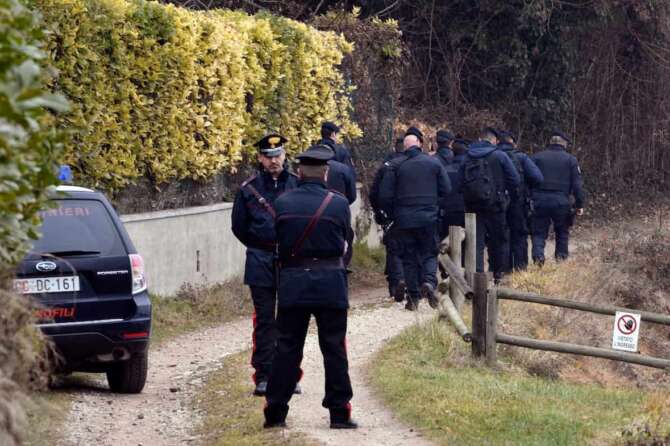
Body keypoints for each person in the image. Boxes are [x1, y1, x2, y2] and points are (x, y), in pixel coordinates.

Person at [264, 144, 357, 430]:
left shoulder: (283, 203)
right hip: (330, 282)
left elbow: (274, 241)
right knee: (334, 348)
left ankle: (276, 412)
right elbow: (346, 241)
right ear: (325, 173)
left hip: (293, 282)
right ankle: (339, 413)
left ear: (300, 172)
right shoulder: (339, 203)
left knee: (287, 348)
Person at [231, 134, 299, 396]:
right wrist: (261, 243)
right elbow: (239, 227)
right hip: (260, 259)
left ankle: (290, 375)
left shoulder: (296, 185)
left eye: (278, 155)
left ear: (285, 155)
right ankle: (264, 375)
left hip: (290, 259)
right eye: (269, 156)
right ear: (260, 158)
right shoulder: (249, 189)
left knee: (291, 319)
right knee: (265, 321)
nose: (274, 161)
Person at [378, 127, 451, 310]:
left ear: (404, 146)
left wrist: (393, 214)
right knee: (429, 253)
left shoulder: (397, 166)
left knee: (409, 258)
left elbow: (384, 196)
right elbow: (447, 189)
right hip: (428, 218)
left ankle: (413, 298)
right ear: (419, 144)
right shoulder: (433, 164)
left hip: (404, 220)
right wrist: (435, 205)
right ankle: (428, 281)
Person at [458, 128, 520, 283]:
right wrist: (506, 194)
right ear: (495, 141)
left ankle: (477, 277)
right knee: (498, 240)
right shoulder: (500, 156)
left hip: (473, 207)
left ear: (480, 139)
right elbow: (515, 179)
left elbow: (459, 183)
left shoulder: (467, 157)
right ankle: (497, 274)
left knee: (476, 243)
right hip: (496, 206)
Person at [530, 129, 585, 265]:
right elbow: (577, 186)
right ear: (564, 144)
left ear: (550, 143)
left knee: (538, 232)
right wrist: (579, 204)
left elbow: (528, 179)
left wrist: (530, 198)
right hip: (561, 202)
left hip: (540, 200)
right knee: (562, 232)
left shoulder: (537, 157)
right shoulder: (571, 160)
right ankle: (561, 261)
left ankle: (538, 258)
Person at [498, 131, 544, 271]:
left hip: (498, 203)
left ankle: (502, 271)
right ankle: (520, 269)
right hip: (518, 203)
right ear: (514, 144)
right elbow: (538, 179)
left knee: (502, 236)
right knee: (519, 235)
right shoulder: (522, 158)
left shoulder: (493, 157)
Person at [369, 137, 406, 301]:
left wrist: (379, 212)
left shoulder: (387, 165)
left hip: (390, 216)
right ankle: (410, 282)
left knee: (393, 251)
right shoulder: (412, 163)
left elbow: (374, 192)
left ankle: (395, 284)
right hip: (410, 212)